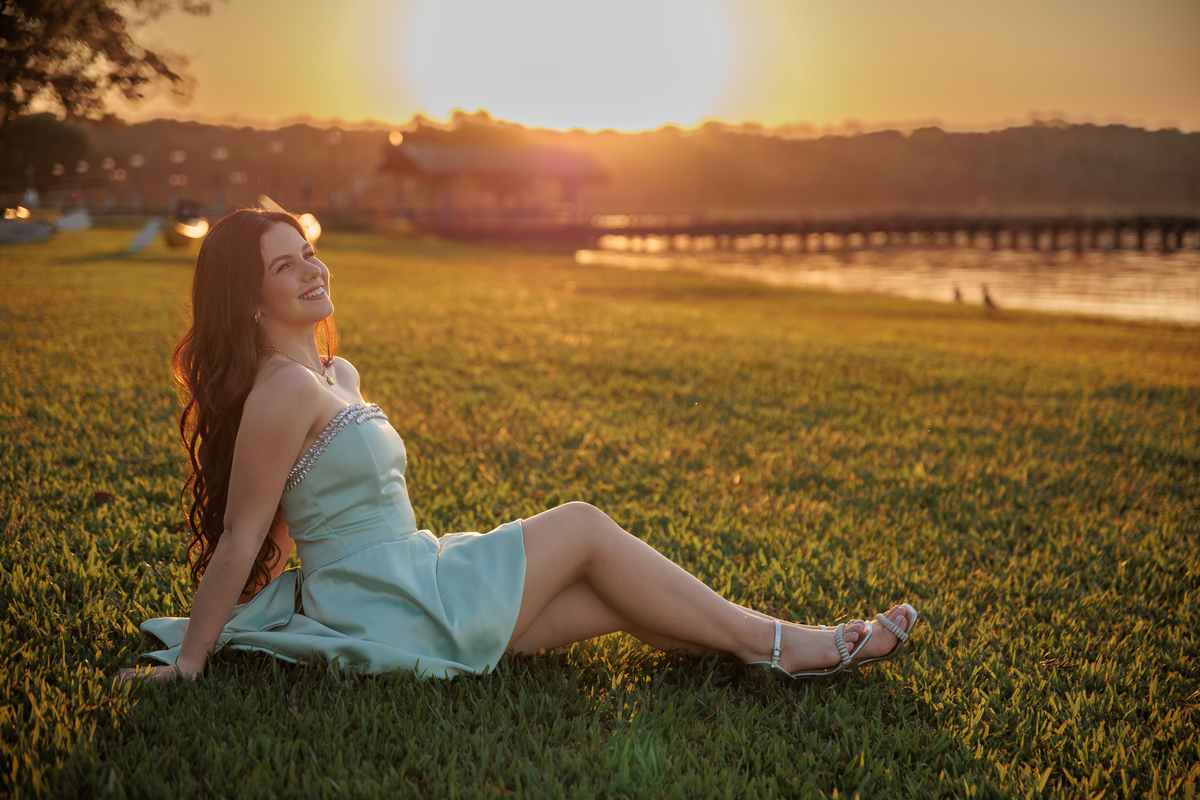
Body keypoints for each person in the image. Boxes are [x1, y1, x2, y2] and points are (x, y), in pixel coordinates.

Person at [120, 209, 918, 683]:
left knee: (615, 598)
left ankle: (761, 650)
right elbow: (248, 533)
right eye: (283, 266)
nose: (311, 271)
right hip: (383, 599)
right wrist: (193, 660)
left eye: (309, 253)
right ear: (249, 299)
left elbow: (299, 509)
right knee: (580, 524)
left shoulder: (335, 371)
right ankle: (791, 645)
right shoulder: (280, 390)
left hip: (416, 574)